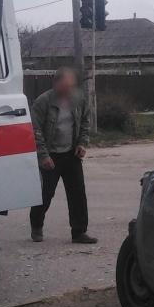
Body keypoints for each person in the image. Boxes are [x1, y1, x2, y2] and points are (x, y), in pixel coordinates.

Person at [29, 66, 96, 245]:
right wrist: (43, 156)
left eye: (71, 86)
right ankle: (36, 225)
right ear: (56, 84)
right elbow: (34, 131)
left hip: (71, 154)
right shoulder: (43, 102)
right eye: (65, 86)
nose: (69, 90)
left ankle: (79, 232)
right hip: (50, 155)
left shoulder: (78, 99)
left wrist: (82, 143)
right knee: (45, 194)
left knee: (78, 195)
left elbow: (84, 122)